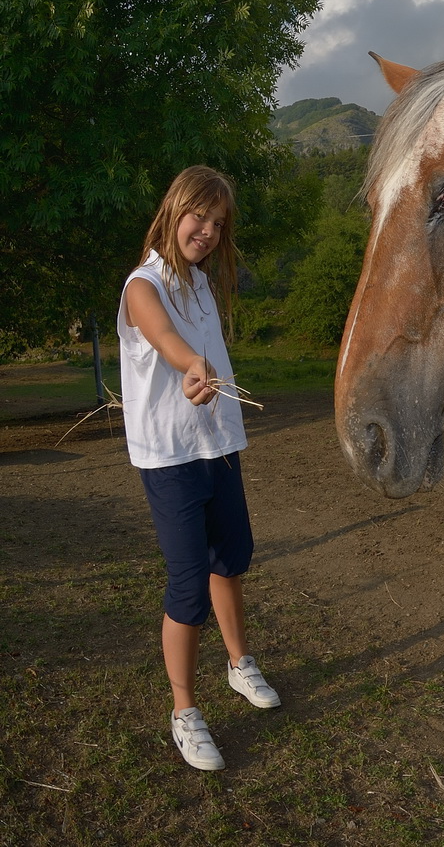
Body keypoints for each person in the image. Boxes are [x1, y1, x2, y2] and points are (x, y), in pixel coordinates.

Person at [117, 165, 280, 772]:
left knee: (232, 558)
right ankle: (185, 710)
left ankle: (239, 664)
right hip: (171, 459)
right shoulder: (143, 284)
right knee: (188, 582)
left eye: (218, 223)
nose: (207, 230)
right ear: (173, 210)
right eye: (198, 216)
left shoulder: (202, 285)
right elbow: (162, 337)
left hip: (217, 446)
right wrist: (190, 363)